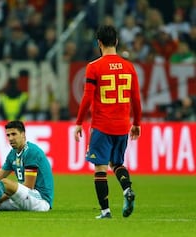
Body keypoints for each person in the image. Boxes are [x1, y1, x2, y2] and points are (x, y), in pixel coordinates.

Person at [74, 25, 142, 219]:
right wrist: (136, 123)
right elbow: (136, 99)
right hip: (122, 126)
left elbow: (87, 98)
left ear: (99, 43)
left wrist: (79, 122)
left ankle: (105, 211)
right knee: (117, 163)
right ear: (117, 42)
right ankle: (127, 189)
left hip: (102, 125)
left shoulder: (94, 67)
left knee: (100, 168)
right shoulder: (129, 67)